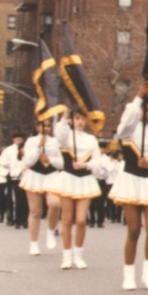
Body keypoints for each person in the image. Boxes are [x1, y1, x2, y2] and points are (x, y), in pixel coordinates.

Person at [110, 84, 148, 291]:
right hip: (131, 181)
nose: (146, 113)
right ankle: (129, 273)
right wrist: (138, 98)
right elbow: (123, 126)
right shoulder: (129, 129)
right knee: (133, 229)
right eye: (144, 109)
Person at [51, 112, 104, 269]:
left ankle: (78, 255)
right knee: (67, 220)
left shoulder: (91, 139)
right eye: (77, 118)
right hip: (68, 179)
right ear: (71, 120)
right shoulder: (66, 136)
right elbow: (59, 134)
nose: (80, 122)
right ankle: (66, 256)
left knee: (81, 220)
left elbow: (98, 161)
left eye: (82, 119)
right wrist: (65, 116)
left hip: (85, 180)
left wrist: (85, 165)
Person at [20, 119, 64, 255]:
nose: (46, 128)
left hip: (52, 175)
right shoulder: (31, 141)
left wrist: (50, 159)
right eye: (43, 126)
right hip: (35, 176)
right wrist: (39, 146)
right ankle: (34, 243)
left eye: (48, 126)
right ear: (37, 127)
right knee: (35, 211)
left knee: (55, 204)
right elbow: (29, 161)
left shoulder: (55, 142)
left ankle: (51, 231)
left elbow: (61, 163)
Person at [0, 133, 28, 229]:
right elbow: (3, 162)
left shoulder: (27, 149)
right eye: (16, 139)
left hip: (26, 177)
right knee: (14, 199)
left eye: (20, 139)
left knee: (25, 200)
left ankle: (25, 220)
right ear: (13, 140)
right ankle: (13, 218)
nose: (18, 141)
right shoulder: (8, 150)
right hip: (14, 176)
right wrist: (12, 169)